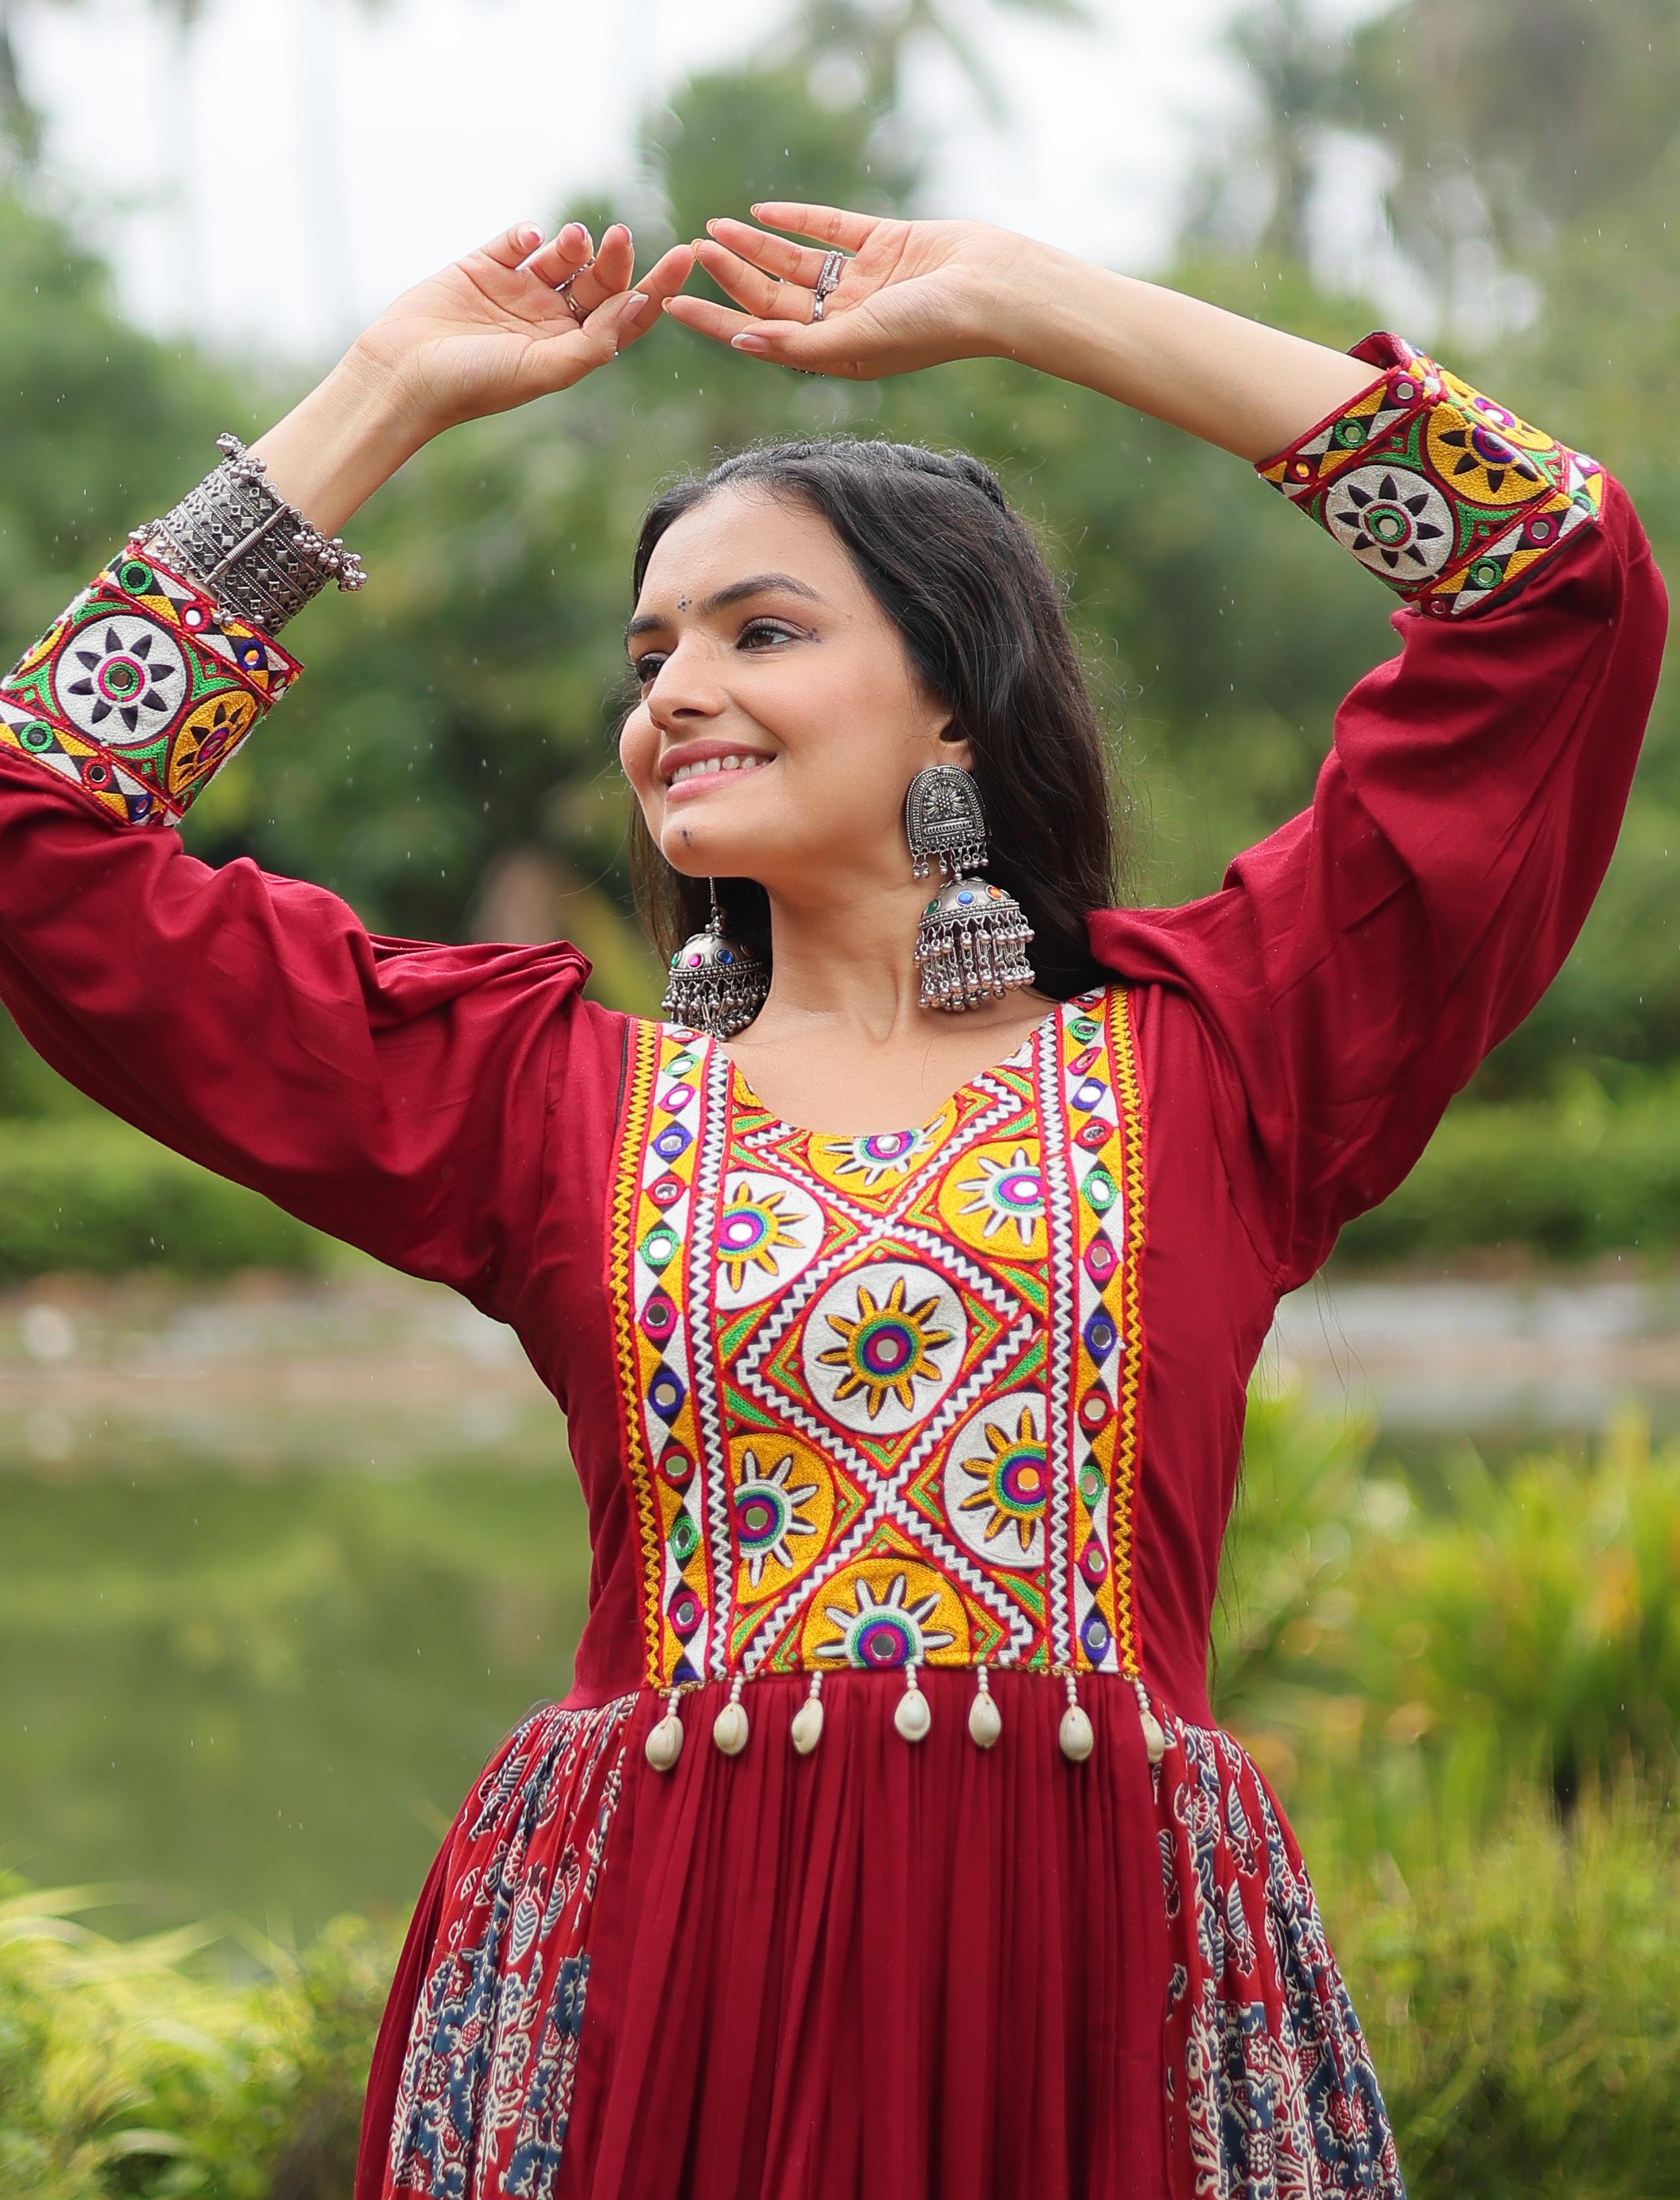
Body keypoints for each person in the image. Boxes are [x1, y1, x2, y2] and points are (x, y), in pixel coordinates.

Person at [0, 199, 1661, 2200]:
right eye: (650, 655)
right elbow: (43, 839)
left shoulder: (1224, 1061)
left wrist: (1045, 312)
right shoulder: (550, 1110)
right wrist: (382, 396)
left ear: (954, 697)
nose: (673, 693)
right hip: (653, 2004)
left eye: (759, 631)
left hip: (1095, 2007)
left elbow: (1552, 582)